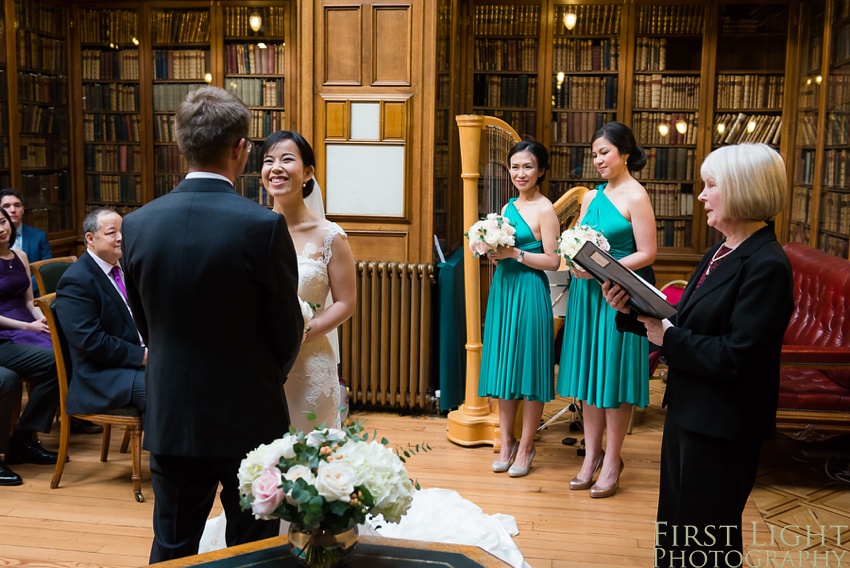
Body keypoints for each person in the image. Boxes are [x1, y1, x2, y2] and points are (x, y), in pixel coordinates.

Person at [121, 86, 302, 562]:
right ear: (241, 149)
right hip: (249, 414)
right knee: (252, 548)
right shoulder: (261, 226)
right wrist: (262, 377)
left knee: (174, 543)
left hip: (173, 411)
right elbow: (286, 331)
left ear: (180, 145)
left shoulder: (137, 224)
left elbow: (145, 322)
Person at [604, 143, 794, 566]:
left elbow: (738, 356)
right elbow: (682, 322)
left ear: (744, 190)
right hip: (691, 412)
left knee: (705, 542)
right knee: (677, 528)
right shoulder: (721, 251)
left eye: (711, 186)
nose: (702, 196)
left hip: (723, 426)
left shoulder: (767, 265)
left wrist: (668, 337)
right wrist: (630, 309)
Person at [557, 122, 657, 498]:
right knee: (588, 379)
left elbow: (647, 252)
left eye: (605, 152)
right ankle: (591, 455)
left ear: (625, 153)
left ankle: (613, 459)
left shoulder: (636, 195)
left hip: (617, 293)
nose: (598, 159)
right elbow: (577, 242)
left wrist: (607, 269)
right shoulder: (589, 198)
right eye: (595, 153)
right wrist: (578, 262)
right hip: (587, 295)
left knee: (611, 378)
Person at [260, 130, 356, 431]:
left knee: (311, 456)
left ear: (307, 172)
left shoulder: (330, 236)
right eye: (268, 161)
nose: (275, 168)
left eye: (286, 159)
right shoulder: (253, 231)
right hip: (263, 364)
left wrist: (302, 331)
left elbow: (346, 302)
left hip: (310, 363)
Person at [478, 140, 561, 478]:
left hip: (529, 292)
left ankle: (527, 444)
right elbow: (500, 247)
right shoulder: (508, 206)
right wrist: (488, 248)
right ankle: (507, 441)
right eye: (514, 167)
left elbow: (554, 260)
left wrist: (516, 255)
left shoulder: (545, 209)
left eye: (527, 166)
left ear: (540, 170)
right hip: (503, 292)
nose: (520, 173)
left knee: (527, 368)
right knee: (504, 367)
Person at [55, 208, 146, 418]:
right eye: (112, 233)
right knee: (159, 389)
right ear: (90, 238)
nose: (121, 238)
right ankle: (162, 452)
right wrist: (142, 356)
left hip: (133, 358)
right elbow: (90, 341)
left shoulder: (125, 266)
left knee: (186, 375)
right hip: (101, 374)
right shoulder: (76, 281)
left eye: (123, 231)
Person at [0, 207, 62, 478]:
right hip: (5, 333)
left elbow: (28, 300)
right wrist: (28, 325)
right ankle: (22, 440)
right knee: (53, 361)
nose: (1, 228)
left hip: (27, 321)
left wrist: (43, 321)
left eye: (2, 222)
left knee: (64, 356)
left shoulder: (20, 256)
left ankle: (24, 438)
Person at [0, 188, 53, 296]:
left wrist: (24, 289)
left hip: (36, 295)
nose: (13, 210)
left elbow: (46, 269)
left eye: (17, 205)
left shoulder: (39, 236)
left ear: (23, 209)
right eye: (6, 206)